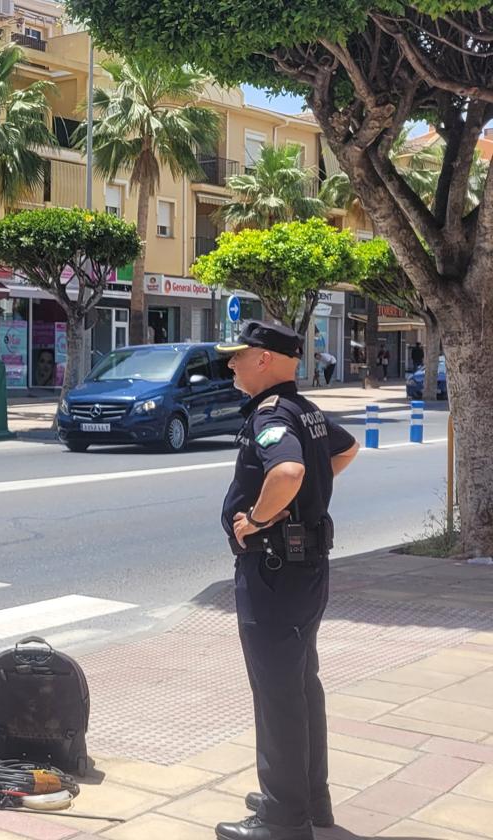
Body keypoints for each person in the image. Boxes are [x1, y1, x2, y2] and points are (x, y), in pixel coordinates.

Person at [213, 321, 359, 840]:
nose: (230, 365)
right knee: (300, 688)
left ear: (265, 360)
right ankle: (307, 800)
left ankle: (282, 819)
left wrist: (258, 518)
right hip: (307, 570)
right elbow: (344, 450)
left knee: (277, 694)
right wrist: (301, 504)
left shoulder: (271, 416)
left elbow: (289, 472)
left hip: (273, 573)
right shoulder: (307, 411)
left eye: (238, 356)